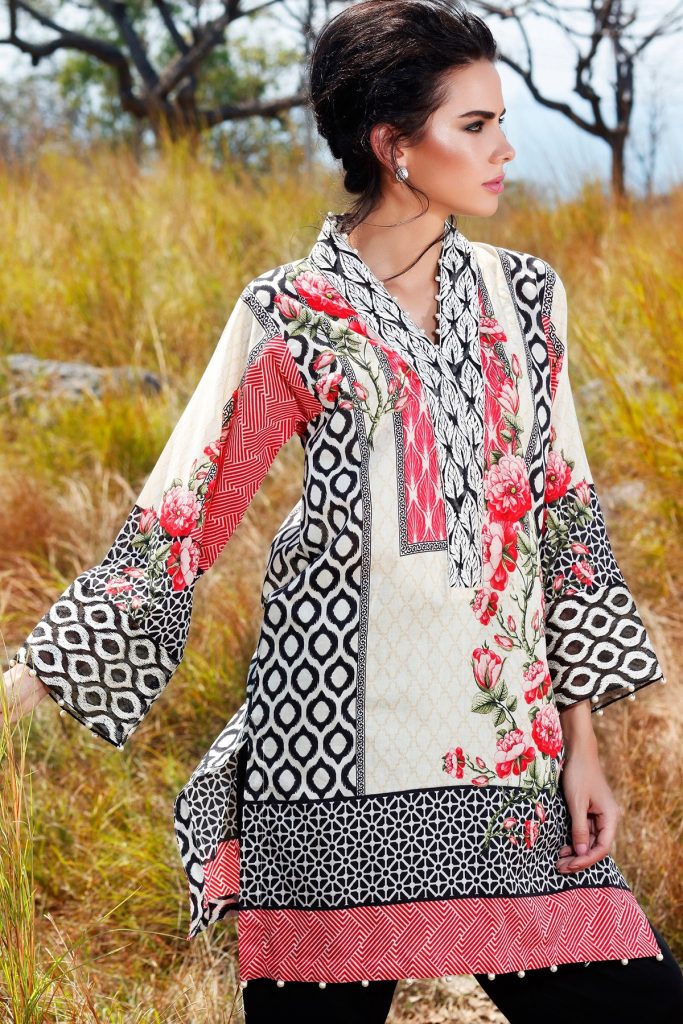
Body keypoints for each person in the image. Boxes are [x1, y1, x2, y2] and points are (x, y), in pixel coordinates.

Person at [2, 1, 682, 1022]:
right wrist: (33, 678)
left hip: (507, 765)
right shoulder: (290, 311)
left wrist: (580, 746)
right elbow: (189, 506)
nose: (503, 149)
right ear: (392, 145)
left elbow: (563, 527)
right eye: (474, 125)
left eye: (500, 122)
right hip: (325, 760)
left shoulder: (526, 298)